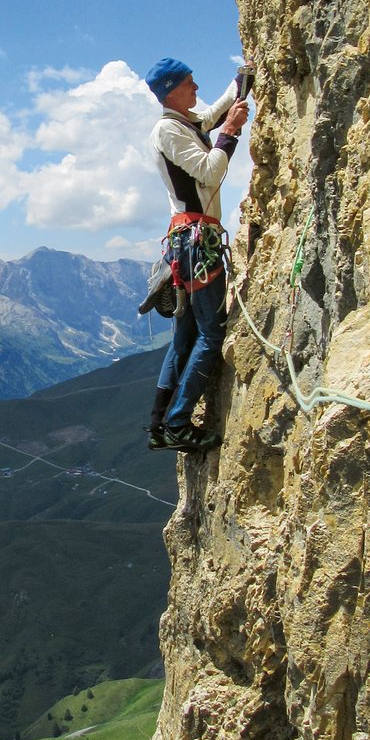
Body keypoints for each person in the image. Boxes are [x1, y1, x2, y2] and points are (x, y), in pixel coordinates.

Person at [143, 57, 250, 453]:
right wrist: (232, 132)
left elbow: (212, 110)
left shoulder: (183, 124)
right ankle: (178, 421)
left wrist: (243, 81)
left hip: (186, 241)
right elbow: (208, 170)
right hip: (197, 241)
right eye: (190, 82)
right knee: (210, 331)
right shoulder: (169, 130)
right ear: (172, 89)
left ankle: (159, 423)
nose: (196, 87)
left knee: (185, 335)